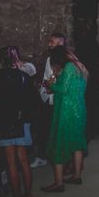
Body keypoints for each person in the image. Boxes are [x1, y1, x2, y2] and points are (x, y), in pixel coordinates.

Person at [41, 46, 88, 192]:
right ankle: (77, 175)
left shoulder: (68, 67)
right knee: (76, 142)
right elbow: (79, 87)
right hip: (79, 108)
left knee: (58, 143)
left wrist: (50, 85)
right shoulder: (79, 67)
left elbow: (64, 89)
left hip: (66, 111)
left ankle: (59, 183)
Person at [0, 46, 35, 197]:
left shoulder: (1, 76)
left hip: (7, 121)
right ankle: (29, 195)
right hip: (22, 119)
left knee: (11, 163)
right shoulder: (24, 76)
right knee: (24, 160)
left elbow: (0, 102)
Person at [32, 32, 66, 169]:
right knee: (43, 128)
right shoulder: (49, 58)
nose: (48, 44)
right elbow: (48, 77)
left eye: (52, 41)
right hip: (47, 97)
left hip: (57, 98)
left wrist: (50, 85)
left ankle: (54, 158)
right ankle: (43, 156)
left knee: (53, 129)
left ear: (60, 43)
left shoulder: (65, 60)